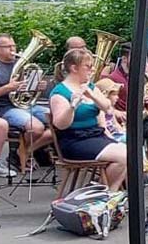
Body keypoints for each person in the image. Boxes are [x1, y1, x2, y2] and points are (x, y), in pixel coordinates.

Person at [0, 34, 53, 175]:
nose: (12, 49)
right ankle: (19, 155)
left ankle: (23, 152)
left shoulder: (21, 64)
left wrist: (38, 86)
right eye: (8, 46)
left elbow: (28, 90)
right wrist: (8, 88)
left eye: (13, 46)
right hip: (5, 108)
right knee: (36, 127)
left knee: (57, 120)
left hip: (26, 105)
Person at [49, 47, 127, 190]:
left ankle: (105, 193)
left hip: (95, 135)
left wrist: (92, 95)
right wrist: (72, 106)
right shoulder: (60, 93)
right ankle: (105, 195)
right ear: (74, 68)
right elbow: (60, 125)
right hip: (74, 140)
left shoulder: (90, 87)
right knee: (124, 156)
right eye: (88, 67)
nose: (92, 70)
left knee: (129, 154)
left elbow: (107, 108)